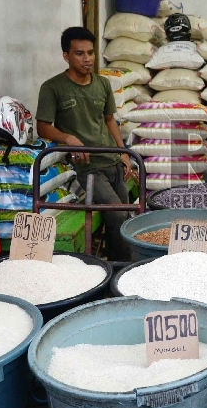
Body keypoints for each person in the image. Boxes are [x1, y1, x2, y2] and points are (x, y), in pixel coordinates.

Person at [36, 27, 135, 261]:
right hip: (87, 167)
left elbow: (110, 119)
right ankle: (122, 267)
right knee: (117, 214)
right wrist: (68, 138)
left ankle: (119, 261)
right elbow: (43, 126)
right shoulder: (53, 88)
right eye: (79, 53)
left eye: (90, 53)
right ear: (66, 56)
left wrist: (123, 152)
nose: (87, 58)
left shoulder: (102, 85)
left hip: (111, 159)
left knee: (128, 214)